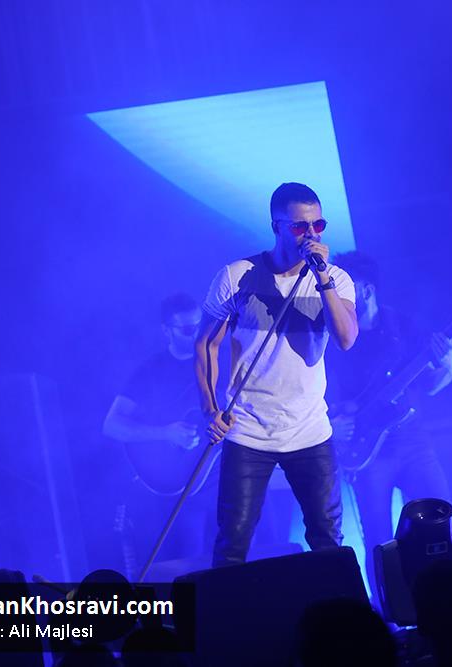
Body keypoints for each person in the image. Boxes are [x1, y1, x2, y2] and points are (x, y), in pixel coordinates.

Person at [196, 182, 358, 567]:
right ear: (276, 227)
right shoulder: (237, 276)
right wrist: (210, 409)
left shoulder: (335, 279)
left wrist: (322, 278)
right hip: (248, 429)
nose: (311, 235)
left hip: (309, 429)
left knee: (328, 539)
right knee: (233, 541)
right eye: (300, 227)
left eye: (318, 225)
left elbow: (346, 339)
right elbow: (206, 344)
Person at [323, 251, 452, 602]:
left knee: (442, 522)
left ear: (366, 290)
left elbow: (429, 385)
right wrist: (333, 423)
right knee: (379, 540)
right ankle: (391, 615)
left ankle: (447, 602)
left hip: (413, 442)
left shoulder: (404, 327)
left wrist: (449, 367)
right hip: (368, 453)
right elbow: (319, 394)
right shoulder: (333, 338)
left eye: (344, 286)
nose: (336, 295)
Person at [102, 293, 215, 577]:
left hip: (226, 477)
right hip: (185, 487)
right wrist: (166, 433)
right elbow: (112, 425)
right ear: (167, 330)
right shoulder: (150, 371)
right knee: (193, 570)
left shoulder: (219, 360)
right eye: (187, 329)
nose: (196, 333)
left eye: (199, 325)